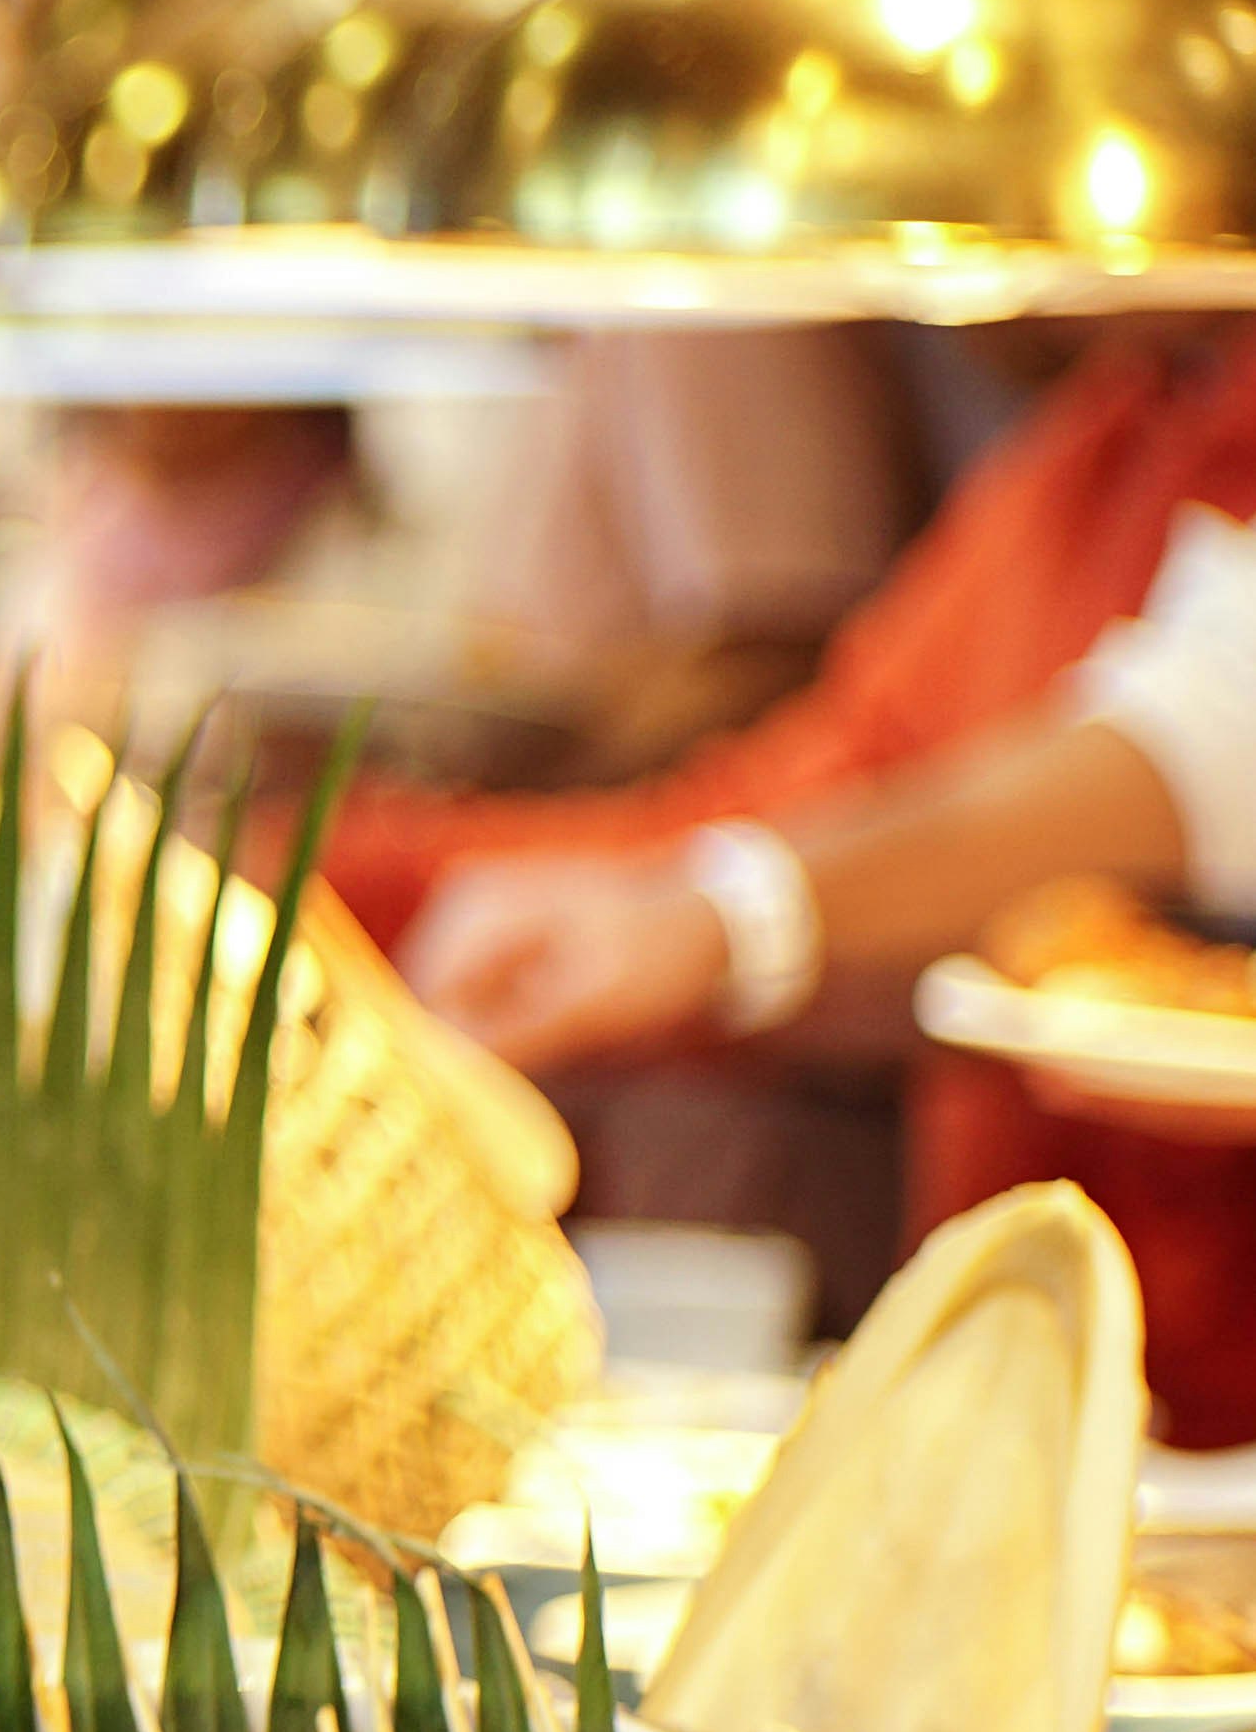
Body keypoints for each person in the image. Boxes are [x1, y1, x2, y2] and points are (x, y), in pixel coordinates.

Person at [345, 326, 1256, 1438]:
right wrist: (327, 876)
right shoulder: (1105, 433)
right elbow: (810, 793)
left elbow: (1209, 731)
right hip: (1027, 1411)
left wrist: (723, 916)